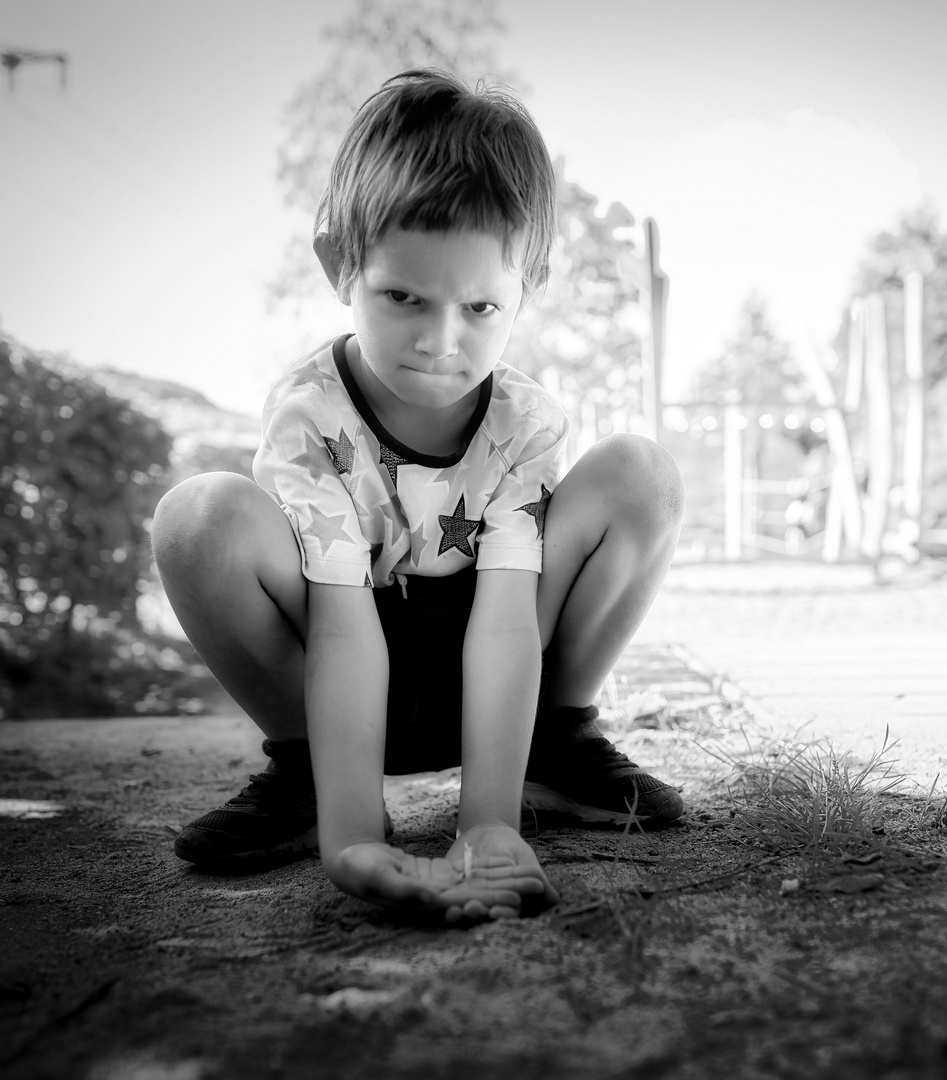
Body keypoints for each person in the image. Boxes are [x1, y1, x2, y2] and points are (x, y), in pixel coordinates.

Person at [151, 69, 685, 923]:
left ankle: (552, 747)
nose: (441, 342)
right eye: (402, 297)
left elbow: (511, 622)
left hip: (503, 677)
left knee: (641, 473)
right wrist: (356, 839)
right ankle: (314, 782)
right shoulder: (311, 419)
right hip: (342, 681)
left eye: (480, 306)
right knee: (198, 516)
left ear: (529, 287)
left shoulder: (527, 426)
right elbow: (340, 629)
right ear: (339, 265)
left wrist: (488, 829)